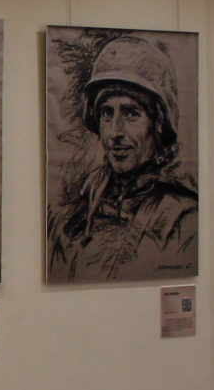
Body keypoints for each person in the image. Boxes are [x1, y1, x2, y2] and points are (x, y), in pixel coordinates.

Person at [47, 35, 198, 282]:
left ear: (159, 124)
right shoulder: (71, 220)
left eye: (131, 113)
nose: (115, 132)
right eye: (107, 113)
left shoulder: (184, 220)